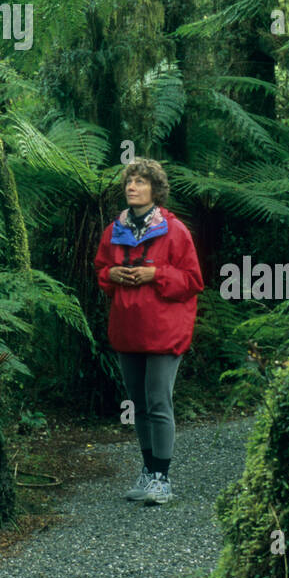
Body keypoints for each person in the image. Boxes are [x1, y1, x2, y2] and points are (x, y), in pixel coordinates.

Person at [93, 158, 204, 506]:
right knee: (138, 405)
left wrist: (155, 275)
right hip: (128, 330)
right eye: (129, 181)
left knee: (158, 402)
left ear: (155, 190)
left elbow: (192, 281)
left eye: (140, 182)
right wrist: (111, 274)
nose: (132, 187)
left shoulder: (175, 231)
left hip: (164, 332)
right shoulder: (115, 230)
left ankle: (162, 477)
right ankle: (146, 469)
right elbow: (101, 269)